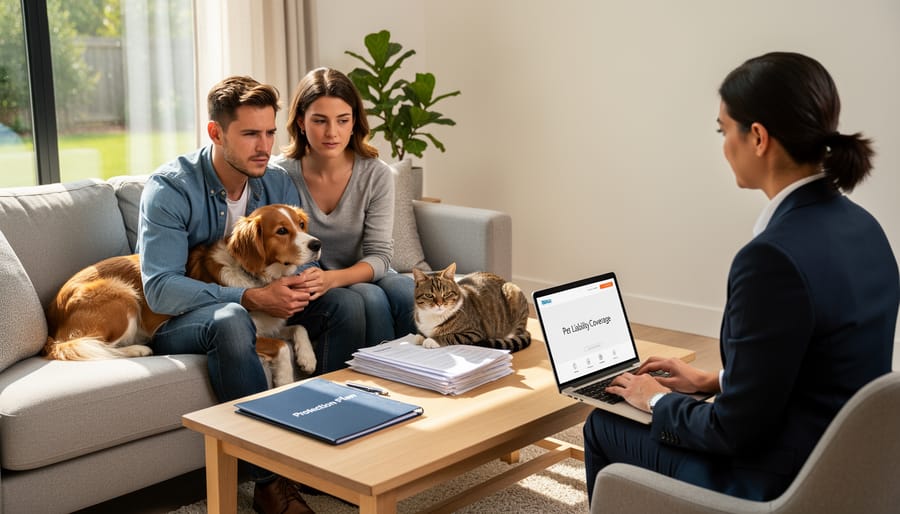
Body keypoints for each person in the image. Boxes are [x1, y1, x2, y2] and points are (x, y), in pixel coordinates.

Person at [583, 52, 900, 504]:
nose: (722, 144)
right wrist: (711, 382)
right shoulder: (863, 226)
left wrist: (655, 399)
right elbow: (818, 365)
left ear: (757, 137)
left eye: (722, 129)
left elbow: (732, 433)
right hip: (845, 466)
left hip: (777, 485)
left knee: (603, 425)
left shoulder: (771, 259)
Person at [138, 75, 365, 514]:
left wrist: (305, 282)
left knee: (349, 303)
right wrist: (248, 300)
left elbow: (299, 254)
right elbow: (161, 289)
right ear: (216, 133)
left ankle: (334, 455)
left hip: (261, 298)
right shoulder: (170, 189)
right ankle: (269, 481)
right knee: (231, 320)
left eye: (269, 132)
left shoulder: (274, 180)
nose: (264, 146)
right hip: (179, 321)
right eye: (249, 134)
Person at [273, 67, 417, 348]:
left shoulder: (377, 174)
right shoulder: (280, 174)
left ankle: (437, 371)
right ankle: (378, 383)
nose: (332, 132)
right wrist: (322, 280)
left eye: (342, 120)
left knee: (405, 290)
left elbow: (380, 256)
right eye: (320, 120)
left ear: (354, 123)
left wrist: (334, 278)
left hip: (365, 270)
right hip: (311, 279)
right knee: (369, 298)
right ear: (301, 122)